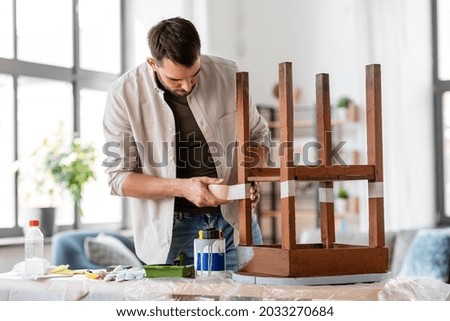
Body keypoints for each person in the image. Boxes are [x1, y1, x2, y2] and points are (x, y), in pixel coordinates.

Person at [102, 17, 270, 271]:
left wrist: (250, 176)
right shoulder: (123, 94)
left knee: (249, 302)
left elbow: (258, 136)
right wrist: (183, 188)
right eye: (176, 80)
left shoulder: (228, 74)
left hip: (236, 220)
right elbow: (118, 179)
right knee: (180, 308)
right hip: (172, 230)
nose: (188, 86)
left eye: (195, 75)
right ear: (152, 63)